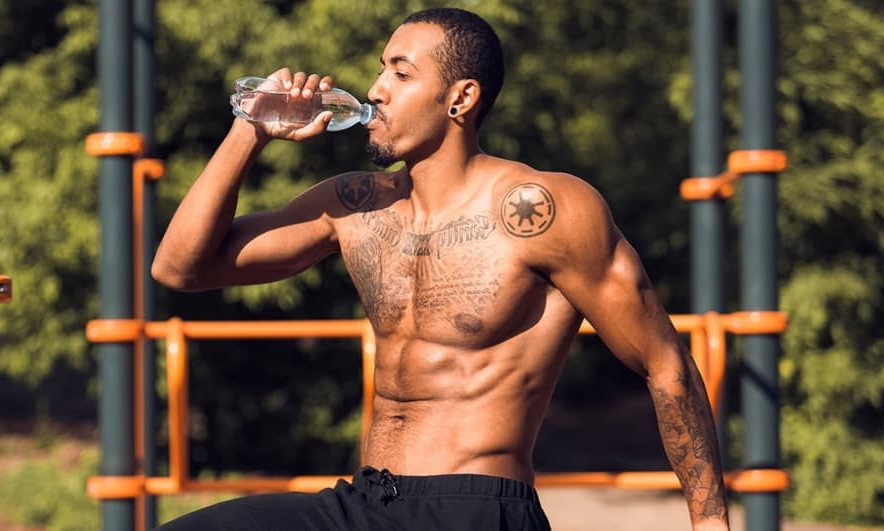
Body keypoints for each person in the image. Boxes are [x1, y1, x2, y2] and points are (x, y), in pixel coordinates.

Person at [150, 7, 729, 531]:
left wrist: (710, 521)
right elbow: (180, 269)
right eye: (381, 69)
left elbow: (664, 364)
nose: (375, 90)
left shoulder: (540, 209)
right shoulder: (356, 205)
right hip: (367, 501)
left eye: (401, 74)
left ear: (461, 98)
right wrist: (249, 129)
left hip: (474, 506)